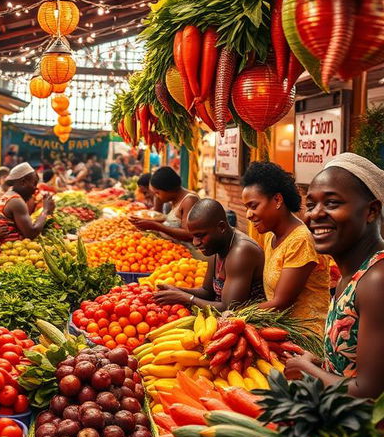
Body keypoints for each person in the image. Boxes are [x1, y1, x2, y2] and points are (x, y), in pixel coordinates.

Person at [283, 154, 384, 398]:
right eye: (310, 205)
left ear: (371, 211)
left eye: (332, 203)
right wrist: (319, 362)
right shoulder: (350, 275)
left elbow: (369, 392)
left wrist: (306, 369)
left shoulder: (376, 280)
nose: (315, 214)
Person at [242, 161, 329, 337]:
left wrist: (235, 314)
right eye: (246, 208)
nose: (248, 214)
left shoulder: (300, 240)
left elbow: (280, 303)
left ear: (277, 200)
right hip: (279, 329)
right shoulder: (270, 235)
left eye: (253, 206)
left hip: (306, 338)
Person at [154, 198, 265, 311]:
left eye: (200, 235)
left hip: (249, 323)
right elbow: (207, 292)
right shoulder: (216, 247)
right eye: (193, 236)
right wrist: (176, 291)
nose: (195, 242)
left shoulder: (241, 251)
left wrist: (184, 298)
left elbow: (230, 308)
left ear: (221, 227)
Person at [0, 162, 54, 260]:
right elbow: (31, 233)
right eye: (34, 183)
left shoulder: (9, 196)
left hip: (6, 254)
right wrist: (45, 210)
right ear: (23, 182)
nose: (35, 188)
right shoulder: (16, 201)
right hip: (5, 257)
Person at [131, 166, 199, 243]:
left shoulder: (189, 200)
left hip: (185, 251)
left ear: (168, 189)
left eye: (157, 193)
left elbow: (189, 235)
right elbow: (158, 215)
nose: (156, 196)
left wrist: (157, 226)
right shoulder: (173, 199)